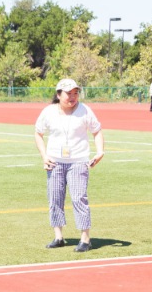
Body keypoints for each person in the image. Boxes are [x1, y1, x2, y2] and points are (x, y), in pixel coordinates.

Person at [35, 78, 105, 253]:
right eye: (68, 93)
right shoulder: (49, 112)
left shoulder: (85, 111)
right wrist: (44, 156)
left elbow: (97, 131)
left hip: (78, 161)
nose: (73, 97)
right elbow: (38, 133)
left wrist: (100, 151)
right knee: (55, 199)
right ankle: (58, 237)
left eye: (76, 93)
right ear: (59, 95)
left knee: (79, 198)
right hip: (55, 162)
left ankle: (85, 239)